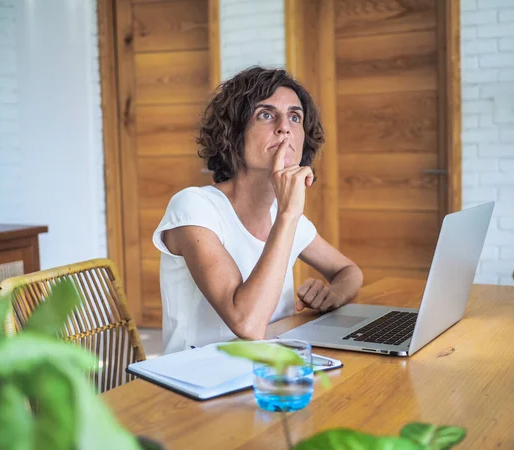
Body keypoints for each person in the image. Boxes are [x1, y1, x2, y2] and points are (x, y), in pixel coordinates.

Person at [152, 66, 363, 354]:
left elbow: (348, 271)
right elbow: (247, 325)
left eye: (294, 117)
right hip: (199, 381)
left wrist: (333, 295)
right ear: (234, 132)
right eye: (266, 114)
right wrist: (289, 215)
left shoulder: (282, 212)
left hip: (271, 367)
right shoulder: (194, 208)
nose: (284, 127)